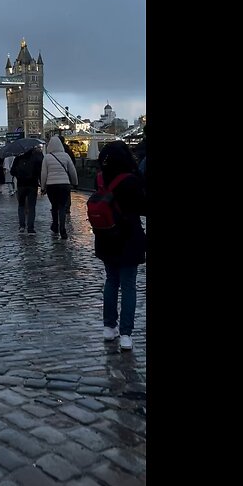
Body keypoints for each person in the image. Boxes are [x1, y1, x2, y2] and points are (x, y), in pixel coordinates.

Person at [93, 141, 146, 351]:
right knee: (129, 285)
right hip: (129, 237)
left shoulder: (100, 177)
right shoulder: (131, 180)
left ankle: (108, 327)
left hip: (106, 235)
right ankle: (126, 334)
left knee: (111, 281)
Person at [40, 135, 79, 240]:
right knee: (62, 206)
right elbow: (72, 171)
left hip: (51, 185)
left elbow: (44, 174)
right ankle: (62, 228)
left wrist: (43, 187)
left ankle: (55, 226)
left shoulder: (47, 157)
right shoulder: (66, 156)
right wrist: (75, 182)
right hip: (64, 184)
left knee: (54, 206)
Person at [12, 147, 42, 233]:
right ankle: (30, 227)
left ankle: (22, 226)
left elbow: (12, 172)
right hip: (32, 185)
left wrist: (18, 175)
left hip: (21, 185)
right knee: (31, 207)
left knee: (21, 206)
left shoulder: (18, 159)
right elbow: (39, 172)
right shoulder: (35, 159)